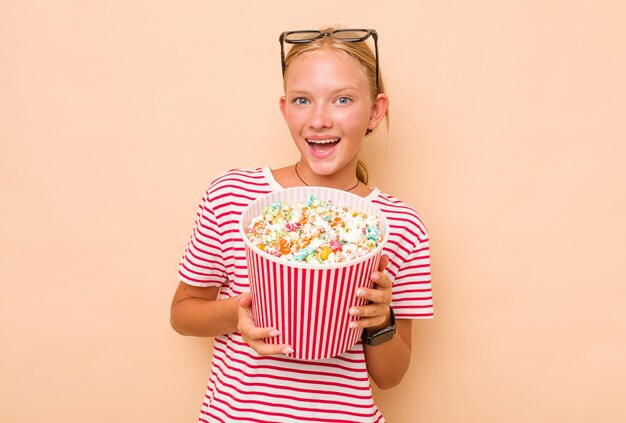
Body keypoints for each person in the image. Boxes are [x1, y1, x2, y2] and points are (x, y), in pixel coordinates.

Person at [170, 27, 434, 422]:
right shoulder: (232, 196)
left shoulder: (400, 226)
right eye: (302, 100)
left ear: (375, 111)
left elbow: (390, 377)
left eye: (342, 100)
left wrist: (381, 322)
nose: (319, 120)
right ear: (284, 109)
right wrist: (240, 312)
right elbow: (182, 313)